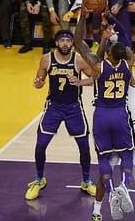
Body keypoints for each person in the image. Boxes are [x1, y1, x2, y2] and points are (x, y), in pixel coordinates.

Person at [72, 6, 135, 221]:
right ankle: (124, 187)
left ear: (108, 52)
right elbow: (126, 36)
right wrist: (111, 17)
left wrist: (84, 17)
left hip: (101, 115)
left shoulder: (98, 66)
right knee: (127, 155)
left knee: (103, 158)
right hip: (120, 114)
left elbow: (78, 40)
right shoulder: (128, 62)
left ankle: (111, 192)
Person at [24, 30, 96, 200]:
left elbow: (95, 77)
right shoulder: (46, 59)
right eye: (62, 40)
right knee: (41, 144)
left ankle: (86, 180)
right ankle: (39, 179)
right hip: (53, 107)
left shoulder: (78, 59)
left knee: (84, 146)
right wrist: (38, 83)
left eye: (68, 41)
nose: (65, 43)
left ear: (72, 43)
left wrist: (81, 82)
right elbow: (39, 82)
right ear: (56, 42)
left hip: (73, 108)